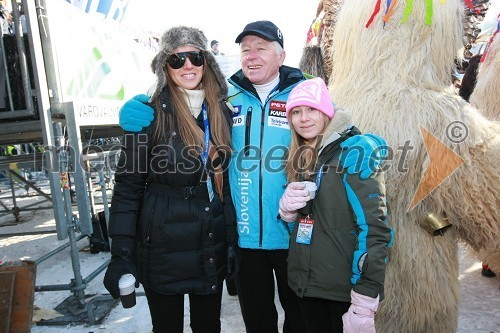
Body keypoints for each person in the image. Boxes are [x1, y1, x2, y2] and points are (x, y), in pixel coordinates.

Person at [117, 20, 387, 333]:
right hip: (243, 240)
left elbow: (335, 123)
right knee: (257, 321)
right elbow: (177, 97)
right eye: (246, 50)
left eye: (261, 48)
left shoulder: (305, 90)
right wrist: (136, 107)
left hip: (294, 235)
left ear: (282, 55)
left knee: (301, 321)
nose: (252, 56)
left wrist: (364, 141)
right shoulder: (224, 96)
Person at [103, 26, 239, 333]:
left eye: (195, 57)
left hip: (209, 241)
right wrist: (120, 254)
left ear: (208, 62)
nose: (187, 65)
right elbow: (127, 189)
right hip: (162, 246)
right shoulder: (149, 115)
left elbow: (226, 188)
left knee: (209, 327)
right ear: (166, 66)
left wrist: (232, 241)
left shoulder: (221, 113)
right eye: (177, 60)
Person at [278, 77, 393, 333]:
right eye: (296, 112)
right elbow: (311, 227)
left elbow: (375, 228)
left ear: (327, 111)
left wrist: (364, 297)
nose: (303, 118)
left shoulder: (354, 151)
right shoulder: (300, 155)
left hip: (342, 289)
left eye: (311, 109)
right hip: (306, 284)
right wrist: (287, 213)